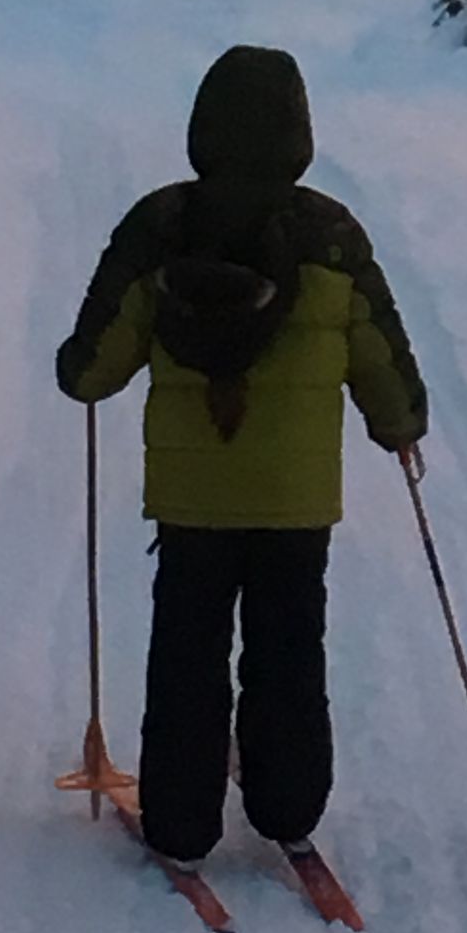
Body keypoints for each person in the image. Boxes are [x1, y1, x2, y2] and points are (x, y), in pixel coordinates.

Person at [55, 44, 427, 872]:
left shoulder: (158, 227)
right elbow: (376, 347)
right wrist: (401, 424)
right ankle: (289, 808)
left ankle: (182, 826)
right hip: (296, 501)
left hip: (193, 501)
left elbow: (95, 367)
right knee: (289, 650)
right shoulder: (330, 237)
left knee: (186, 655)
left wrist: (75, 369)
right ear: (299, 135)